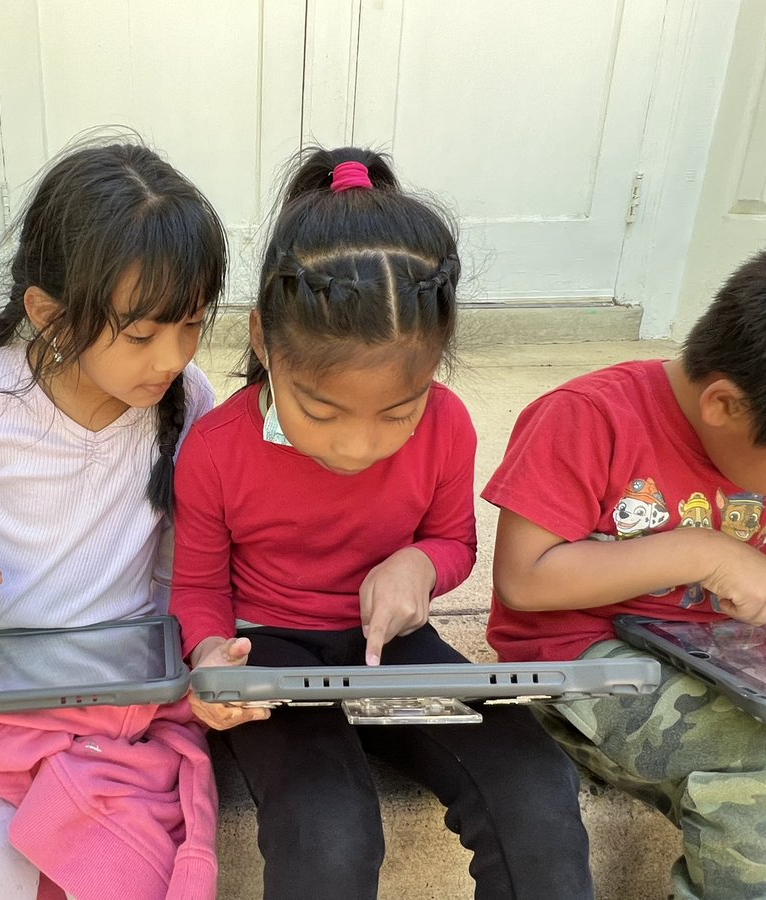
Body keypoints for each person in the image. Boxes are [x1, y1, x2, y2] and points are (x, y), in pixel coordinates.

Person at [172, 147, 594, 900]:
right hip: (270, 659)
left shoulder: (449, 426)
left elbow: (454, 542)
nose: (357, 445)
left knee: (532, 784)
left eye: (398, 411)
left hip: (396, 648)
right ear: (266, 340)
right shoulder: (214, 449)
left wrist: (421, 566)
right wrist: (211, 654)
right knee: (327, 828)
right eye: (322, 410)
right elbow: (199, 586)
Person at [0, 141, 227, 900]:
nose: (172, 357)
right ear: (47, 313)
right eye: (142, 335)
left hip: (121, 702)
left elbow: (196, 548)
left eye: (193, 325)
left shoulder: (191, 401)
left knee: (120, 872)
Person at [487, 233, 766, 899]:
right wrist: (704, 552)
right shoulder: (587, 418)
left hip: (736, 665)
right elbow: (524, 577)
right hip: (587, 674)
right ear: (724, 406)